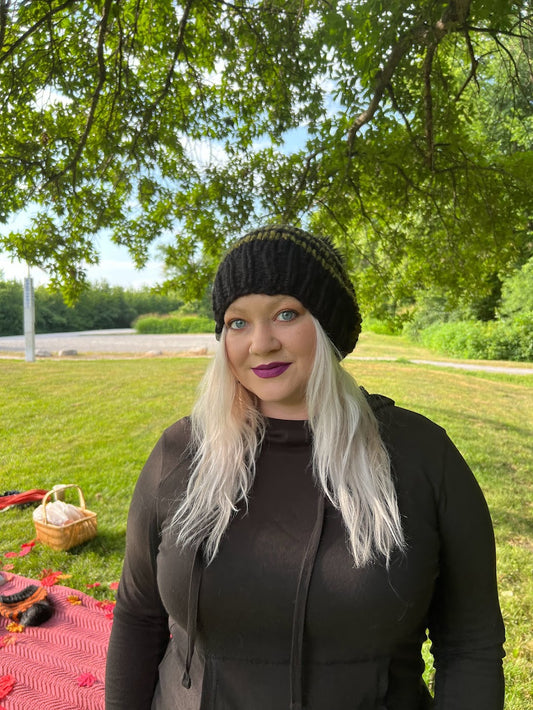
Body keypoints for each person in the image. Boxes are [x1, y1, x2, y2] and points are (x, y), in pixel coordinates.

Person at [105, 225, 505, 709]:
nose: (261, 343)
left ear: (327, 325)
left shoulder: (420, 456)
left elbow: (470, 644)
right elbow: (137, 616)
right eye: (238, 322)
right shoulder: (181, 453)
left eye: (286, 314)